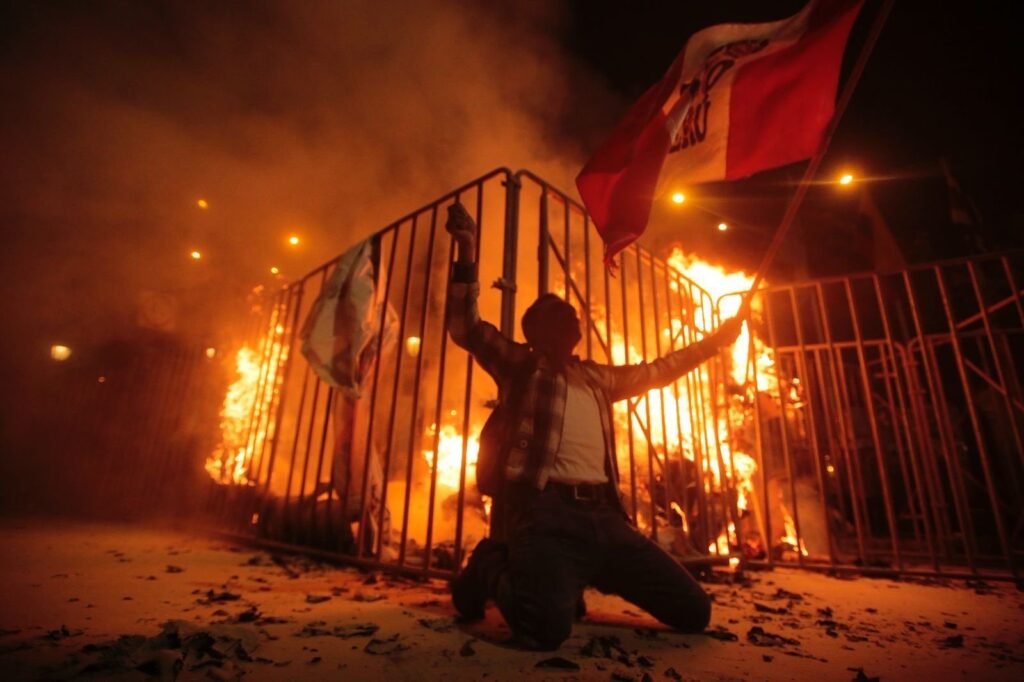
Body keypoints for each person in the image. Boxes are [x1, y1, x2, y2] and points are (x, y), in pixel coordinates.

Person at [444, 202, 742, 650]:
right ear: (533, 331)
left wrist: (714, 343)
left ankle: (577, 576)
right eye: (555, 315)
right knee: (543, 631)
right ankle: (492, 566)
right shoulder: (521, 366)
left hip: (606, 520)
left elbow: (660, 369)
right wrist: (467, 249)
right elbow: (465, 326)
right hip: (547, 517)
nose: (569, 320)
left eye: (571, 317)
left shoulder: (597, 378)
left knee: (694, 613)